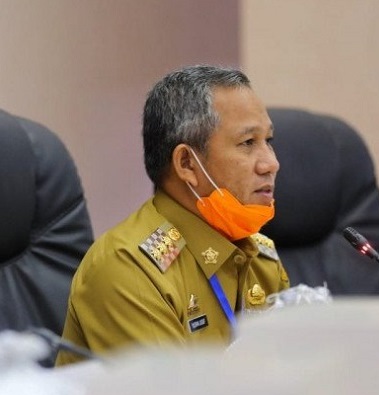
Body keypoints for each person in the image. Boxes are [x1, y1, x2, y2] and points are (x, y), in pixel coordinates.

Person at [56, 65, 290, 366]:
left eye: (268, 141)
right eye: (248, 143)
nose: (271, 164)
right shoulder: (130, 268)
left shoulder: (261, 257)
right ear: (187, 164)